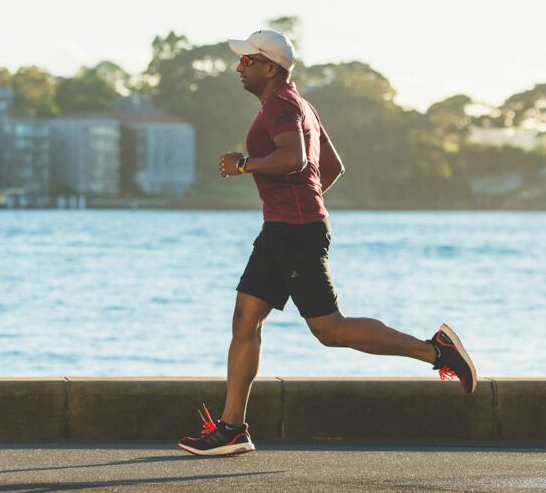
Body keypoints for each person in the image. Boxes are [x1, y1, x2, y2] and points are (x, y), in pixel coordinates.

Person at [178, 29, 477, 457]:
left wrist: (245, 165)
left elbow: (296, 159)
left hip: (294, 233)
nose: (238, 67)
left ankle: (436, 351)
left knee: (329, 329)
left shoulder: (281, 105)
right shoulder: (299, 104)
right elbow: (331, 166)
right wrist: (302, 202)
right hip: (284, 229)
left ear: (269, 67)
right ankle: (232, 429)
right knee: (245, 320)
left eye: (247, 61)